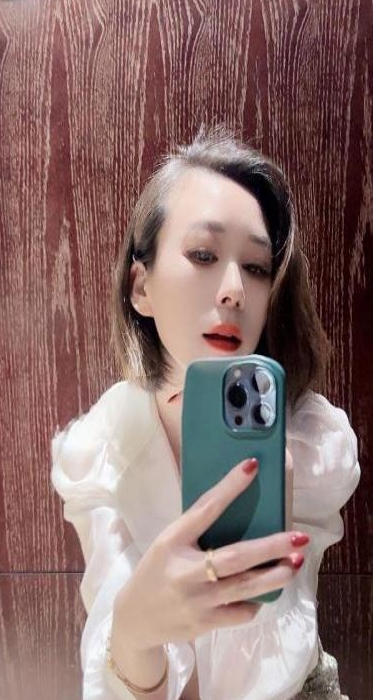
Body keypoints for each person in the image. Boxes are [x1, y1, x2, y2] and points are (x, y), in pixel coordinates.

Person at [51, 126, 360, 700]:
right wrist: (135, 631)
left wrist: (267, 548)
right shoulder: (102, 447)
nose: (234, 289)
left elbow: (264, 680)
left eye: (258, 267)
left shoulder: (311, 443)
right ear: (140, 287)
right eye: (202, 255)